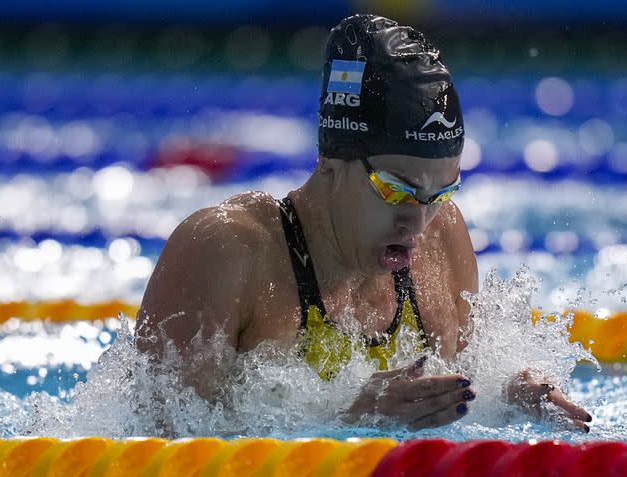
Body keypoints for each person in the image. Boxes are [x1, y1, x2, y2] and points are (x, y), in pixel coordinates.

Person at [135, 14, 592, 432]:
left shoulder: (440, 234)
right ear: (333, 159)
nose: (417, 220)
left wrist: (513, 390)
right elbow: (156, 438)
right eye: (396, 189)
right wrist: (346, 414)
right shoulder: (228, 251)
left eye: (441, 193)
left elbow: (476, 373)